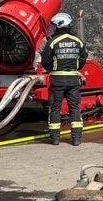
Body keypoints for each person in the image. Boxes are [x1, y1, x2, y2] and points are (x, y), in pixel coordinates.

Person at [41, 12, 88, 146]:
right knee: (74, 108)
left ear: (59, 26)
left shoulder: (53, 42)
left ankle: (55, 139)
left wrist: (54, 69)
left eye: (54, 26)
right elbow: (83, 59)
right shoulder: (77, 41)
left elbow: (45, 62)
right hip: (73, 80)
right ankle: (76, 139)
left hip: (57, 81)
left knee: (55, 108)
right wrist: (74, 68)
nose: (53, 28)